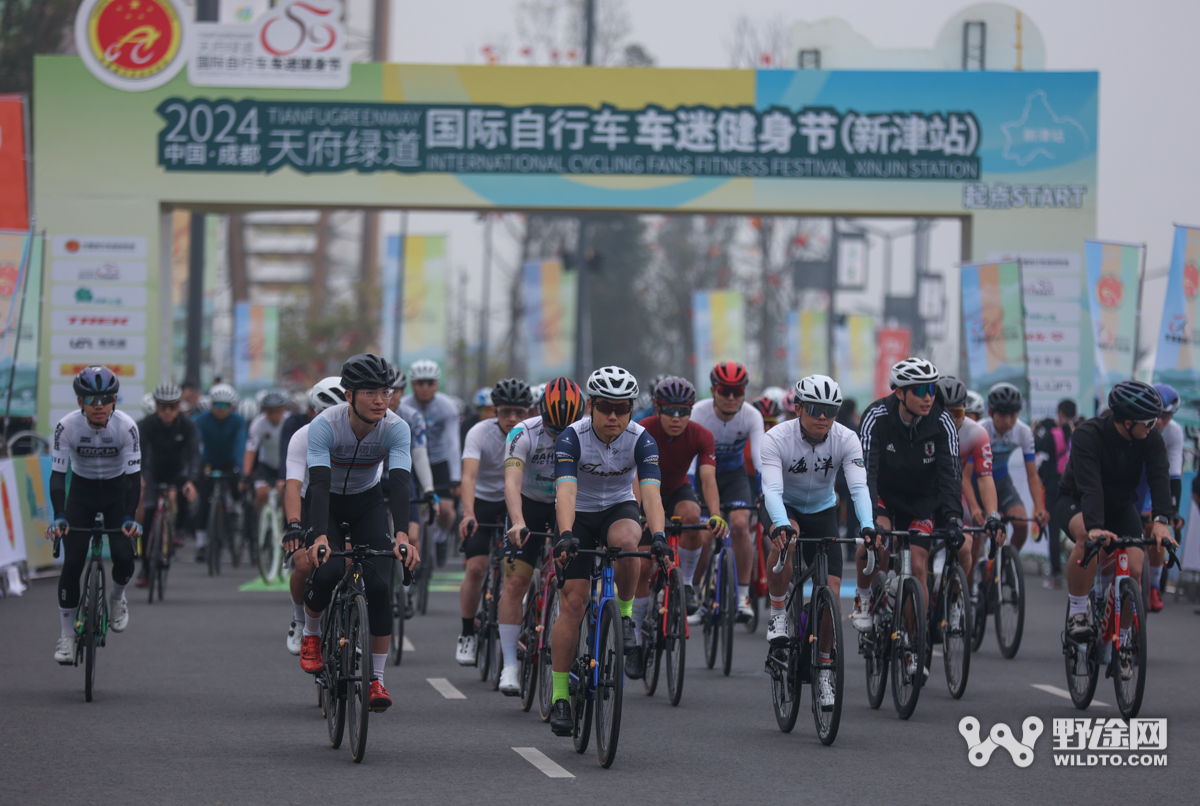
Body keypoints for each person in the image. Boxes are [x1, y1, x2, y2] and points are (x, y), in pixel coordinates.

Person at [547, 366, 665, 736]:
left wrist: (659, 536)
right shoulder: (572, 438)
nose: (613, 416)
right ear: (590, 406)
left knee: (631, 542)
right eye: (604, 407)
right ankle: (560, 696)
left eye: (622, 408)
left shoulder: (642, 439)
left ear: (631, 409)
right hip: (577, 514)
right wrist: (566, 534)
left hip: (617, 508)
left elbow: (650, 494)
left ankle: (626, 616)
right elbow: (565, 492)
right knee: (574, 604)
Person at [300, 354, 418, 713]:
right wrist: (319, 536)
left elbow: (399, 483)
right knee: (330, 569)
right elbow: (319, 484)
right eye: (370, 393)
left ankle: (376, 679)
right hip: (326, 503)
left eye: (385, 392)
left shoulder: (396, 427)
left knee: (381, 585)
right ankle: (311, 634)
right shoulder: (324, 425)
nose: (381, 400)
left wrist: (402, 535)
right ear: (349, 396)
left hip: (367, 502)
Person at [761, 375, 874, 708]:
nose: (822, 417)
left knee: (833, 595)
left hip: (824, 511)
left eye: (830, 410)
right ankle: (779, 611)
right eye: (814, 409)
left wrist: (867, 525)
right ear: (798, 408)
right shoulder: (776, 438)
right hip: (785, 507)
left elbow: (858, 488)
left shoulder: (846, 439)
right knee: (788, 541)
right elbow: (771, 490)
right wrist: (780, 523)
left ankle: (824, 667)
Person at [852, 357, 965, 673]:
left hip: (921, 503)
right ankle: (863, 599)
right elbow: (865, 473)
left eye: (932, 388)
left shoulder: (941, 422)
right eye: (920, 390)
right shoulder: (876, 417)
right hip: (884, 499)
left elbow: (950, 474)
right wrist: (869, 518)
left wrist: (954, 518)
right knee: (874, 546)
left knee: (917, 567)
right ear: (900, 393)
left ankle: (915, 646)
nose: (929, 396)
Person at [1059, 381, 1176, 670]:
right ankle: (1077, 613)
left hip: (1121, 506)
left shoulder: (1150, 438)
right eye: (1149, 421)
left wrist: (1162, 521)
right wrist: (1096, 526)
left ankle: (1122, 640)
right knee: (1088, 539)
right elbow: (1090, 486)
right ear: (1127, 422)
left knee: (1135, 568)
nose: (1154, 426)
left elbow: (1161, 477)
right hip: (1077, 500)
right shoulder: (1089, 434)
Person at [626, 376, 728, 677]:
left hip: (678, 491)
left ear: (691, 411)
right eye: (669, 410)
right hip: (646, 491)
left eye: (683, 411)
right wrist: (636, 513)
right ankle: (640, 638)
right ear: (657, 408)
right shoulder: (642, 430)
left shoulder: (701, 435)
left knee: (695, 517)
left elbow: (708, 479)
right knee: (642, 566)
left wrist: (717, 514)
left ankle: (685, 583)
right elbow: (633, 477)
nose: (676, 417)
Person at [47, 367, 143, 663]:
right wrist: (60, 515)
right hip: (81, 495)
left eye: (104, 399)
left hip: (117, 494)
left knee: (125, 557)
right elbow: (57, 477)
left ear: (114, 400)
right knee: (73, 562)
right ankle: (66, 637)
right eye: (91, 399)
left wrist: (129, 516)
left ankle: (116, 597)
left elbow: (133, 479)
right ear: (81, 402)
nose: (98, 405)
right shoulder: (67, 426)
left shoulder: (126, 427)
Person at [497, 376, 585, 694]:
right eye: (553, 427)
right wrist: (518, 521)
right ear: (540, 413)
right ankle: (509, 664)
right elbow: (511, 484)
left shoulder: (588, 432)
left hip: (567, 502)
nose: (560, 435)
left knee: (575, 587)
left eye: (567, 428)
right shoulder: (523, 432)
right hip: (530, 504)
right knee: (516, 581)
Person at [455, 378, 533, 667]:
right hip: (483, 503)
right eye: (504, 412)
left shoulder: (530, 432)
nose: (512, 418)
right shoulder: (479, 433)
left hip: (516, 503)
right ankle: (466, 633)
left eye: (519, 412)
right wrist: (468, 514)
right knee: (476, 568)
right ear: (493, 411)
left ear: (528, 412)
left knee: (514, 570)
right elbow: (468, 477)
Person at [688, 361, 764, 622]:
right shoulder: (698, 413)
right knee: (705, 537)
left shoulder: (752, 416)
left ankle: (743, 597)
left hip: (734, 477)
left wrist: (765, 493)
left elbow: (761, 460)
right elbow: (690, 462)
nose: (731, 397)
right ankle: (694, 594)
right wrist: (687, 491)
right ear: (713, 390)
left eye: (738, 391)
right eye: (725, 390)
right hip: (702, 477)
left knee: (741, 525)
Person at [281, 377, 345, 655]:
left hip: (347, 501)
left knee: (355, 562)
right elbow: (293, 486)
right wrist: (294, 525)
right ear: (313, 413)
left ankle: (351, 625)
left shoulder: (362, 432)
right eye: (324, 414)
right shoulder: (302, 436)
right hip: (310, 501)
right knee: (304, 565)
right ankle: (299, 618)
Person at [135, 382, 200, 587]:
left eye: (173, 406)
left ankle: (179, 530)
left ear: (179, 406)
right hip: (153, 471)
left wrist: (191, 480)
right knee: (149, 512)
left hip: (178, 472)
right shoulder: (145, 424)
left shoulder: (187, 425)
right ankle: (145, 569)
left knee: (184, 491)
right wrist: (140, 477)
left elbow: (194, 455)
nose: (168, 411)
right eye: (163, 407)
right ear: (156, 407)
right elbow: (139, 454)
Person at [939, 376, 1000, 582]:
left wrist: (992, 515)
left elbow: (984, 477)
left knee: (964, 550)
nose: (950, 420)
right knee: (916, 561)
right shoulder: (922, 426)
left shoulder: (976, 433)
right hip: (922, 496)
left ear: (965, 409)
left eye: (957, 413)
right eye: (945, 413)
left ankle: (957, 601)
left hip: (955, 495)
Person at [981, 383, 1049, 551]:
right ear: (990, 413)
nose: (1008, 421)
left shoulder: (1023, 432)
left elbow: (1032, 475)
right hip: (979, 482)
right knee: (975, 538)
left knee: (1020, 524)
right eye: (1002, 415)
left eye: (1013, 415)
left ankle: (1008, 564)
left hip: (1001, 480)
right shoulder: (981, 430)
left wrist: (1039, 508)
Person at [404, 360, 461, 562]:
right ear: (412, 384)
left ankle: (440, 537)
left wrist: (455, 477)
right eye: (420, 383)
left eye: (430, 382)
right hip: (412, 461)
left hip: (438, 461)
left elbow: (453, 443)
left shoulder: (447, 407)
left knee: (447, 511)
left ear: (437, 384)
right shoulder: (404, 405)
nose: (425, 387)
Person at [1139, 383, 1184, 611]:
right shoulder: (1136, 422)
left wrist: (1171, 512)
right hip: (1131, 478)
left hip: (1152, 481)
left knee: (1154, 528)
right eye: (1157, 414)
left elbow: (1174, 475)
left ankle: (1154, 587)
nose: (1160, 421)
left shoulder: (1174, 432)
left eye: (1166, 416)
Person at [191, 384, 247, 562]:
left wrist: (240, 466)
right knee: (204, 500)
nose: (220, 409)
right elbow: (195, 445)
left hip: (230, 461)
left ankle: (236, 510)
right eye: (216, 405)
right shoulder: (200, 420)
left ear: (231, 407)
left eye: (225, 406)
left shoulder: (238, 421)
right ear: (211, 405)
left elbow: (240, 445)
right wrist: (197, 466)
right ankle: (201, 543)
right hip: (208, 462)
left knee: (237, 486)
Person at [1035, 399, 1078, 589]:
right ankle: (1080, 572)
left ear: (1060, 412)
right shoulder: (1080, 432)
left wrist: (1035, 430)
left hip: (1055, 485)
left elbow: (1037, 448)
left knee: (1053, 531)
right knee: (1079, 530)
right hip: (1076, 486)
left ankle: (1056, 575)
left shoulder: (1053, 434)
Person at [243, 388, 289, 521]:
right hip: (266, 465)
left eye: (277, 411)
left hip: (285, 465)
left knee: (287, 497)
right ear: (264, 411)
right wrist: (246, 474)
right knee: (262, 493)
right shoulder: (258, 424)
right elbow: (251, 450)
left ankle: (286, 528)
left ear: (283, 409)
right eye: (270, 412)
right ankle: (256, 522)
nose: (274, 415)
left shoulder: (289, 421)